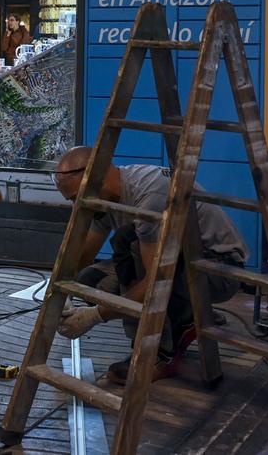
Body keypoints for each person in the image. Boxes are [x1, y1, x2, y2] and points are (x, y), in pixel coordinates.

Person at [51, 146, 249, 385]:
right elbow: (82, 256)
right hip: (180, 263)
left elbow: (154, 283)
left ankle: (158, 353)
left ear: (97, 176)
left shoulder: (148, 195)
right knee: (91, 280)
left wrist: (94, 316)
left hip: (217, 270)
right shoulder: (103, 197)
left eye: (76, 197)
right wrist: (62, 294)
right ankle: (185, 313)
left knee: (128, 242)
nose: (77, 205)